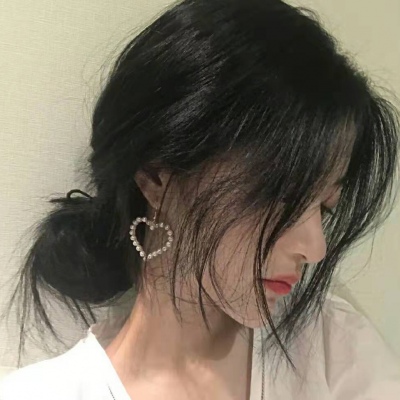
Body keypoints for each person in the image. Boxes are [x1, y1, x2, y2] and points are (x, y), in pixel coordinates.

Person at [1, 0, 400, 398]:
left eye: (325, 208)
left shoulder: (333, 349)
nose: (315, 248)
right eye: (281, 194)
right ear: (156, 175)